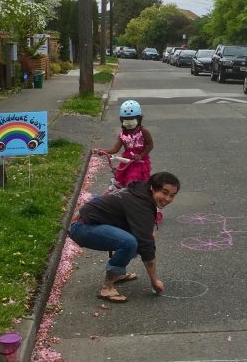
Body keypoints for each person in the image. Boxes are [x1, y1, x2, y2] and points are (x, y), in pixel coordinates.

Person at [68, 172, 180, 303]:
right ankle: (107, 287)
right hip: (82, 227)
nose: (167, 199)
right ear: (152, 188)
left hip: (92, 221)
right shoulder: (141, 204)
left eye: (172, 195)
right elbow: (146, 246)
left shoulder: (141, 191)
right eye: (164, 193)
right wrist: (154, 280)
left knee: (141, 237)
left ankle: (117, 273)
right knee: (130, 242)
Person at [94, 99, 153, 191]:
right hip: (126, 161)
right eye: (126, 120)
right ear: (122, 120)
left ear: (139, 119)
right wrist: (102, 151)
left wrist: (141, 156)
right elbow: (115, 148)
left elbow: (150, 145)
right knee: (121, 181)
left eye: (132, 120)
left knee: (133, 182)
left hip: (139, 162)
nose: (129, 122)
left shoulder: (144, 132)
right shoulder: (122, 135)